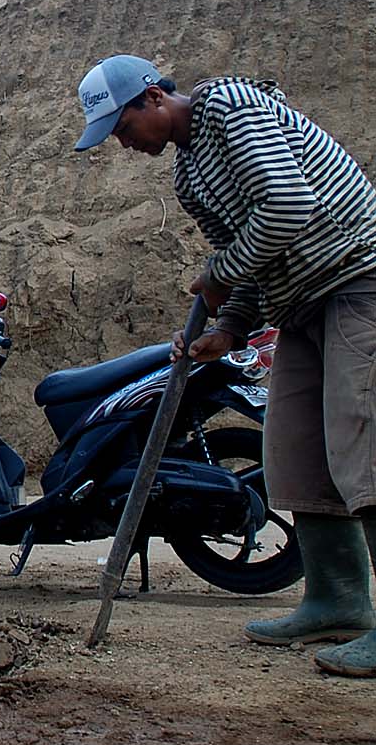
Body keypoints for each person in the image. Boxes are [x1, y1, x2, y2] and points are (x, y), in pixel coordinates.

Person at [75, 54, 376, 678]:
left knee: (362, 445)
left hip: (357, 282)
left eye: (123, 129)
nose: (124, 146)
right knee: (298, 452)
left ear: (153, 98)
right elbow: (249, 260)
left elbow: (288, 206)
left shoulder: (230, 109)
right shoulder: (190, 178)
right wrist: (231, 327)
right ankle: (336, 599)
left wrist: (219, 276)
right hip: (299, 304)